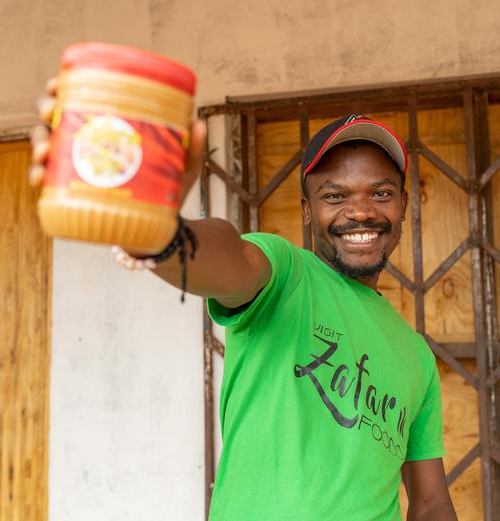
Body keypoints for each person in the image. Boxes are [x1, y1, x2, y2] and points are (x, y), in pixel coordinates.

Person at [32, 81, 458, 520]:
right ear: (308, 210)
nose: (362, 211)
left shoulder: (415, 356)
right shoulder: (286, 274)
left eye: (381, 193)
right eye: (335, 196)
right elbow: (229, 258)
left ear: (404, 204)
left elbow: (430, 503)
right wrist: (158, 235)